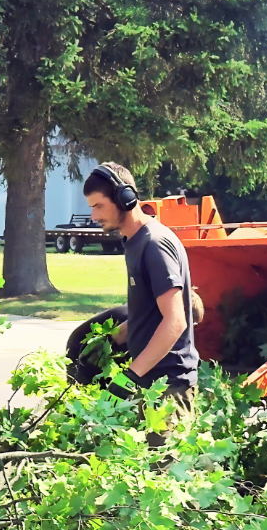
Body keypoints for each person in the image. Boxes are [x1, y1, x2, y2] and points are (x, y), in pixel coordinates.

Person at [71, 163, 200, 429]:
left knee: (162, 469)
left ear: (125, 199)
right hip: (150, 383)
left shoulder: (154, 244)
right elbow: (149, 315)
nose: (94, 216)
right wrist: (111, 339)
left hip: (168, 388)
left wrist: (130, 375)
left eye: (98, 206)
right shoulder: (135, 241)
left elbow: (175, 322)